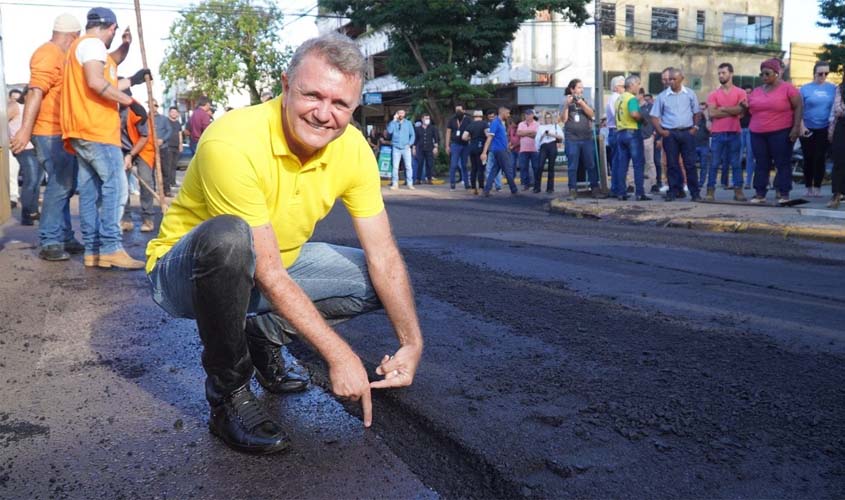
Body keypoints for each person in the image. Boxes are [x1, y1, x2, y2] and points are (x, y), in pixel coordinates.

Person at [145, 33, 423, 455]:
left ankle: (262, 333)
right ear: (286, 85)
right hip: (186, 275)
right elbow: (268, 271)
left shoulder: (353, 149)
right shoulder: (232, 140)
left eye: (340, 104)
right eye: (313, 95)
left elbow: (383, 255)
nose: (324, 114)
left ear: (354, 107)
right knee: (229, 238)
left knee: (381, 279)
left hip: (273, 265)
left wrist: (411, 343)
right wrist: (339, 355)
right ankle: (228, 396)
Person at [61, 7, 151, 269]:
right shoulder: (93, 45)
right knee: (117, 186)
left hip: (82, 130)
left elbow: (107, 74)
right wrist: (132, 103)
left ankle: (93, 251)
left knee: (90, 193)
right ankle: (111, 247)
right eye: (114, 33)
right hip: (97, 129)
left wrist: (132, 73)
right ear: (111, 28)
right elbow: (96, 82)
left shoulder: (83, 47)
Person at [10, 13, 84, 260]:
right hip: (48, 132)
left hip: (61, 133)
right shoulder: (48, 53)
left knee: (65, 186)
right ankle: (50, 241)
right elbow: (34, 93)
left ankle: (63, 236)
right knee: (60, 185)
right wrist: (25, 130)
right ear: (73, 36)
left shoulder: (60, 55)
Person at [747, 58, 803, 204]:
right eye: (762, 74)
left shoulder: (788, 88)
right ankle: (760, 194)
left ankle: (784, 193)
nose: (764, 77)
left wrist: (796, 127)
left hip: (781, 131)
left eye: (767, 73)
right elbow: (748, 108)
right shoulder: (757, 91)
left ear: (776, 73)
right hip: (757, 132)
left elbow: (798, 106)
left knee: (782, 162)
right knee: (761, 162)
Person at [651, 68, 702, 201]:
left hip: (687, 132)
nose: (671, 82)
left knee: (690, 164)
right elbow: (654, 116)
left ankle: (695, 193)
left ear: (681, 79)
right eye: (670, 79)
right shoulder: (662, 96)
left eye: (674, 79)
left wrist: (695, 127)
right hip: (670, 134)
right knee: (671, 164)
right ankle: (673, 191)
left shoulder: (690, 94)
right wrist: (661, 131)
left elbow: (697, 112)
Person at [706, 62, 748, 202]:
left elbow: (741, 110)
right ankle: (710, 191)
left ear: (731, 74)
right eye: (719, 73)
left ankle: (738, 191)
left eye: (723, 73)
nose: (720, 75)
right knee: (714, 163)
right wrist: (732, 110)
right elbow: (712, 113)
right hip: (717, 133)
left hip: (734, 132)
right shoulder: (713, 94)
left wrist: (723, 108)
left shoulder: (740, 92)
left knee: (736, 163)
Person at [119, 90, 157, 233]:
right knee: (122, 183)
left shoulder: (137, 110)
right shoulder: (109, 108)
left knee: (145, 181)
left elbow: (144, 136)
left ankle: (148, 218)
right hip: (122, 148)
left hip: (143, 147)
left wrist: (131, 154)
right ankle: (126, 219)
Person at [799, 61, 837, 198]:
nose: (823, 76)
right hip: (807, 128)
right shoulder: (805, 89)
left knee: (820, 158)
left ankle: (817, 187)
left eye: (826, 73)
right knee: (808, 157)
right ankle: (808, 186)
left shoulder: (833, 88)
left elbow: (835, 108)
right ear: (814, 73)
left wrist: (832, 128)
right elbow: (799, 110)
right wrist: (801, 126)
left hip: (824, 128)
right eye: (820, 73)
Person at [8, 88, 43, 225]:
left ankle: (33, 211)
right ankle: (27, 214)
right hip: (23, 148)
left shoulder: (36, 108)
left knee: (37, 181)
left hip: (37, 147)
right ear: (26, 94)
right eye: (32, 94)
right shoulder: (16, 106)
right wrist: (8, 140)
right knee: (31, 179)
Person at [614, 75, 650, 201]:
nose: (639, 87)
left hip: (620, 133)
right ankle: (639, 193)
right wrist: (643, 120)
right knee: (638, 164)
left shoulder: (619, 98)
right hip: (632, 132)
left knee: (622, 164)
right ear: (632, 85)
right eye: (638, 84)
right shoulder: (631, 98)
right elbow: (634, 114)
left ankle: (621, 192)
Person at [561, 79, 597, 198]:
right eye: (579, 87)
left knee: (590, 163)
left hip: (586, 138)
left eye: (582, 87)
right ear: (572, 89)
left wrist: (582, 103)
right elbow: (563, 119)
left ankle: (594, 187)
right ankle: (572, 189)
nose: (581, 90)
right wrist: (567, 105)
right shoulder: (565, 101)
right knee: (572, 165)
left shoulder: (586, 101)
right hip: (572, 139)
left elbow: (592, 115)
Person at [481, 106, 518, 196]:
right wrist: (484, 152)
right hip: (500, 151)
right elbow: (489, 138)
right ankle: (514, 190)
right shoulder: (495, 122)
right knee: (508, 170)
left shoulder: (501, 123)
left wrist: (507, 145)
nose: (508, 115)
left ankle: (486, 190)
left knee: (494, 170)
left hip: (501, 150)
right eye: (507, 113)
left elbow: (500, 137)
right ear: (502, 112)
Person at [386, 109, 415, 190]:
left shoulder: (408, 123)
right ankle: (395, 184)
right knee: (395, 167)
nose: (401, 114)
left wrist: (410, 144)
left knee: (408, 166)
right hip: (396, 147)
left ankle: (410, 183)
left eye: (402, 113)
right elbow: (389, 131)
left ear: (404, 114)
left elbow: (412, 135)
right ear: (397, 114)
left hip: (406, 147)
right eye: (399, 113)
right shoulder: (394, 123)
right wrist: (393, 120)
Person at [533, 111, 562, 193]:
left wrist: (551, 134)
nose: (548, 119)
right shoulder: (541, 127)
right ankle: (537, 187)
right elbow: (537, 140)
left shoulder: (556, 126)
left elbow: (561, 137)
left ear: (551, 118)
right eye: (546, 117)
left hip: (552, 145)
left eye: (549, 117)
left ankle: (550, 188)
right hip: (543, 146)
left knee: (551, 167)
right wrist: (543, 135)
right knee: (540, 166)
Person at [605, 75, 625, 184]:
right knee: (618, 160)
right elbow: (618, 116)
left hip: (615, 131)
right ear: (616, 87)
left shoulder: (615, 98)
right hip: (616, 131)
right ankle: (617, 186)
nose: (625, 88)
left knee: (618, 160)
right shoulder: (615, 98)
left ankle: (617, 186)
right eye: (623, 86)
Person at [828, 81, 845, 209]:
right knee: (839, 160)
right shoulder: (840, 88)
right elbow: (838, 109)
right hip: (841, 126)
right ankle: (837, 194)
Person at [445, 105, 470, 190]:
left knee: (464, 165)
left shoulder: (468, 120)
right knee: (453, 164)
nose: (458, 112)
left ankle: (466, 184)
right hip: (455, 144)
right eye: (456, 110)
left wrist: (469, 138)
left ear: (464, 110)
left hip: (465, 145)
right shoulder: (452, 119)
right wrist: (447, 145)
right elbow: (448, 132)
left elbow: (471, 131)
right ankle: (452, 183)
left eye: (459, 110)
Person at [465, 110, 489, 194]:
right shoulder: (484, 124)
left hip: (472, 148)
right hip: (481, 148)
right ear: (481, 116)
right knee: (481, 169)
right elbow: (488, 135)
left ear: (474, 117)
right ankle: (481, 187)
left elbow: (464, 137)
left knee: (473, 168)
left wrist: (470, 138)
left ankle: (473, 188)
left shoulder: (470, 125)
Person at [639, 92, 658, 193]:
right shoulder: (634, 106)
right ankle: (632, 184)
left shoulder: (650, 107)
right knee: (634, 163)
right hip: (636, 137)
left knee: (650, 162)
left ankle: (653, 183)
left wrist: (654, 132)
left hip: (647, 136)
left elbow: (656, 119)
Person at [162, 106, 183, 195]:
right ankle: (167, 183)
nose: (174, 114)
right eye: (172, 112)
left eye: (175, 112)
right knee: (168, 166)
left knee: (174, 165)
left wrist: (180, 144)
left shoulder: (178, 123)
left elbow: (180, 134)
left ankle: (173, 181)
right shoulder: (166, 122)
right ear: (169, 113)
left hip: (176, 146)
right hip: (168, 146)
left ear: (177, 114)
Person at [412, 113, 438, 184]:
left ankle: (429, 178)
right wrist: (414, 148)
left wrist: (436, 147)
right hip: (420, 148)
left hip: (429, 148)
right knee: (420, 163)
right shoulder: (418, 129)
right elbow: (415, 139)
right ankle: (418, 179)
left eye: (428, 118)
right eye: (426, 118)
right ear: (422, 119)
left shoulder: (433, 128)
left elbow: (436, 138)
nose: (427, 120)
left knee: (429, 164)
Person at [516, 109, 539, 190]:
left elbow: (536, 135)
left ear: (533, 115)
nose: (528, 116)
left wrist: (524, 133)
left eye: (529, 114)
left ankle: (536, 184)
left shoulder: (537, 124)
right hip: (523, 150)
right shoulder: (521, 124)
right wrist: (530, 132)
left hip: (534, 149)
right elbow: (519, 133)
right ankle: (526, 184)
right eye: (526, 114)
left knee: (535, 167)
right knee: (523, 167)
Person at [740, 85, 756, 189]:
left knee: (750, 156)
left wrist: (748, 105)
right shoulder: (739, 103)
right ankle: (737, 181)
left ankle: (748, 182)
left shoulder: (754, 103)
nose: (748, 94)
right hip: (740, 130)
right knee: (738, 156)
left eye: (750, 92)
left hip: (751, 130)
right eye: (746, 92)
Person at [694, 102, 711, 188]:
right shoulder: (694, 118)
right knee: (692, 165)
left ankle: (701, 182)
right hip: (693, 145)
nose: (701, 111)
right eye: (700, 109)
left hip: (704, 145)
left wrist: (707, 117)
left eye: (703, 109)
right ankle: (694, 181)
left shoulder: (708, 119)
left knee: (704, 165)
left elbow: (710, 130)